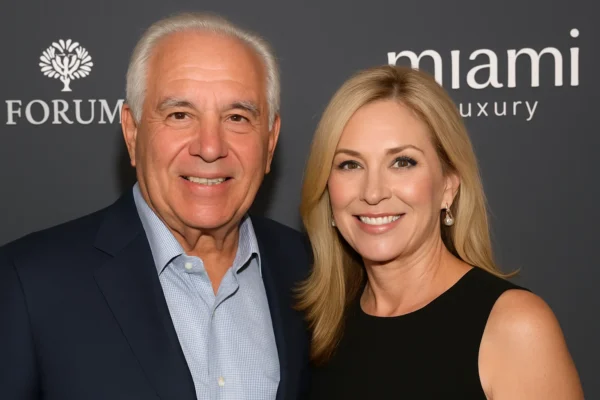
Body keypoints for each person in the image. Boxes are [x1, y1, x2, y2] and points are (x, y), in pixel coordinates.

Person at [0, 13, 310, 400]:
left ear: (270, 141)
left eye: (237, 117)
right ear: (132, 132)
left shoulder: (312, 272)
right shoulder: (28, 284)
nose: (210, 147)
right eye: (180, 115)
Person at [298, 65, 583, 399]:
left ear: (448, 185)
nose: (373, 192)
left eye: (402, 162)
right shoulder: (319, 329)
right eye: (350, 164)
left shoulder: (514, 327)